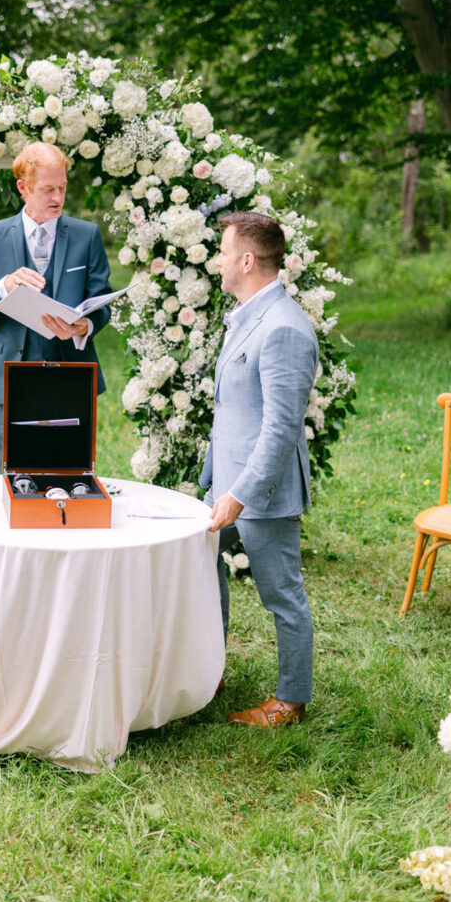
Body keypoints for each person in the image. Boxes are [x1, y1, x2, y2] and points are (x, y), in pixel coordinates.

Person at [200, 211, 319, 727]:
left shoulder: (285, 329)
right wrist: (215, 482)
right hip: (225, 483)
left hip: (260, 492)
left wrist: (240, 494)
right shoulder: (248, 313)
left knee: (282, 596)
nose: (218, 262)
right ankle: (208, 668)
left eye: (224, 252)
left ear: (247, 260)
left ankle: (290, 700)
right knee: (201, 570)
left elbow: (279, 431)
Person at [0, 141, 112, 466]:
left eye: (62, 187)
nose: (57, 198)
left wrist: (85, 325)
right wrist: (4, 287)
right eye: (47, 189)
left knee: (72, 471)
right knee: (15, 472)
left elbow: (103, 304)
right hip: (13, 376)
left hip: (71, 374)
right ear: (23, 187)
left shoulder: (87, 236)